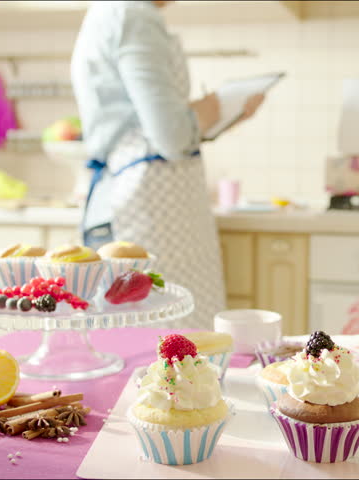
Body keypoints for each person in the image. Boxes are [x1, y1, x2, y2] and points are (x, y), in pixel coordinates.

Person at [71, 0, 264, 328]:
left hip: (120, 196)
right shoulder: (134, 17)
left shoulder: (107, 12)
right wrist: (215, 105)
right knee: (171, 338)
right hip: (148, 206)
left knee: (130, 340)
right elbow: (171, 136)